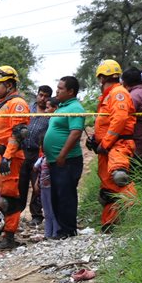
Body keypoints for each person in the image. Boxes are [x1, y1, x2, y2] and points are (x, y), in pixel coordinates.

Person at [90, 60, 137, 230]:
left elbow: (120, 119)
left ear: (101, 78)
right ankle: (110, 223)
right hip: (107, 147)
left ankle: (138, 215)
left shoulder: (118, 93)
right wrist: (95, 141)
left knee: (119, 178)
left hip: (118, 144)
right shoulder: (108, 96)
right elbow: (105, 122)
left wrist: (106, 142)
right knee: (108, 187)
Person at [0, 66, 31, 250]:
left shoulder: (17, 104)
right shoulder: (4, 103)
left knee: (8, 197)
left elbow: (19, 133)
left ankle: (9, 236)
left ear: (10, 84)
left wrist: (7, 156)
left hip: (8, 157)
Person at [45, 77, 85, 238]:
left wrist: (62, 154)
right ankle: (62, 230)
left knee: (66, 195)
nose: (57, 91)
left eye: (60, 88)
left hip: (68, 160)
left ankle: (68, 230)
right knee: (57, 195)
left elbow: (75, 133)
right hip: (56, 161)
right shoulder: (61, 108)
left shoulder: (75, 108)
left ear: (70, 91)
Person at [20, 84, 53, 226]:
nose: (42, 98)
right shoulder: (28, 108)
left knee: (37, 185)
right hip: (21, 151)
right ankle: (16, 212)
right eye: (41, 95)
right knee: (20, 183)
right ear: (37, 94)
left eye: (46, 96)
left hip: (37, 153)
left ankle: (36, 214)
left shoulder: (50, 114)